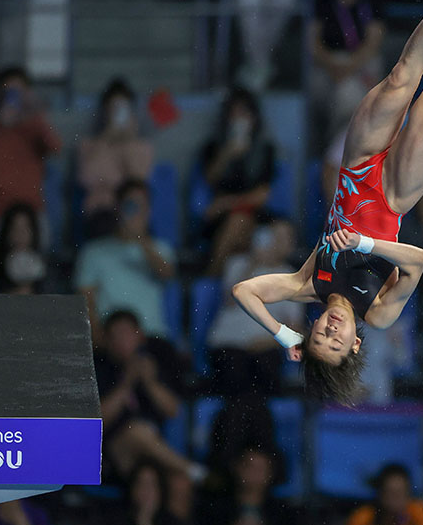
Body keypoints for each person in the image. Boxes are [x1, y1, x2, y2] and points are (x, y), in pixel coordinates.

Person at [232, 0, 423, 404]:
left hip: (357, 168)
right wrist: (363, 245)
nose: (331, 331)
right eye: (337, 342)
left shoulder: (308, 284)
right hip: (396, 195)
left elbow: (244, 290)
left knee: (402, 75)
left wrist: (284, 336)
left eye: (319, 337)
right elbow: (416, 260)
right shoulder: (377, 315)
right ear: (355, 344)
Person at [95, 310, 205, 483]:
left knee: (178, 483)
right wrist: (127, 383)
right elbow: (98, 420)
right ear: (108, 342)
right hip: (114, 450)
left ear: (140, 336)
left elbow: (173, 410)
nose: (122, 341)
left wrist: (150, 382)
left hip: (156, 449)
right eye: (115, 336)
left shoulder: (154, 361)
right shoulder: (100, 368)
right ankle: (196, 472)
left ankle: (189, 473)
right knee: (137, 431)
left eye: (126, 333)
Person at [0, 66, 61, 255]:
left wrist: (36, 114)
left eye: (18, 92)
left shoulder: (35, 128)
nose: (13, 97)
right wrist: (1, 126)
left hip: (31, 214)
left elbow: (56, 148)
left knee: (38, 241)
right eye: (8, 92)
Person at [207, 219, 302, 396]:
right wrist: (254, 263)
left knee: (264, 371)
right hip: (228, 344)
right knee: (235, 375)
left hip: (264, 348)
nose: (277, 242)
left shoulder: (292, 277)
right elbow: (230, 299)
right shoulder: (237, 264)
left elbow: (295, 329)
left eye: (284, 238)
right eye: (274, 236)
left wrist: (265, 342)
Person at [75, 180, 176, 340]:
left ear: (149, 210)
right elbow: (85, 302)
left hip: (150, 335)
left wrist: (139, 239)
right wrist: (98, 340)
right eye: (131, 205)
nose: (137, 212)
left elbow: (167, 274)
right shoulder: (93, 251)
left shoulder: (161, 249)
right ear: (118, 209)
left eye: (142, 205)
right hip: (110, 338)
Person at [311, 0, 386, 144]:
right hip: (329, 61)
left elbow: (374, 40)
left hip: (362, 60)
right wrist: (332, 65)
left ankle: (336, 150)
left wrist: (349, 67)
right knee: (322, 91)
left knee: (345, 96)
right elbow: (313, 40)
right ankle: (334, 149)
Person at [199, 86, 276, 276]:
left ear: (253, 117)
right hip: (221, 219)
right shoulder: (213, 147)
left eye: (243, 112)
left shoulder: (265, 149)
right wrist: (227, 153)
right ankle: (214, 277)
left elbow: (262, 195)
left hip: (249, 212)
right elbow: (209, 179)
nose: (238, 118)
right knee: (237, 222)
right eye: (233, 113)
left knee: (280, 231)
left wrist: (226, 203)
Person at [78, 78, 155, 239]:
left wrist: (128, 143)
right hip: (102, 209)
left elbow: (138, 181)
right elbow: (87, 179)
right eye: (113, 108)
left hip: (132, 209)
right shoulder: (90, 145)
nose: (118, 113)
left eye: (122, 108)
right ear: (105, 111)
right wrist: (107, 138)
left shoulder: (142, 147)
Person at [204, 445, 294, 525]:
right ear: (236, 467)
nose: (253, 474)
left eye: (260, 469)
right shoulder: (214, 510)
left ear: (271, 473)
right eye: (248, 466)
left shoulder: (285, 514)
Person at [345, 463, 423, 525]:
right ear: (380, 494)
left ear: (409, 495)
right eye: (391, 493)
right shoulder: (363, 519)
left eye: (400, 494)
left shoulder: (419, 513)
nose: (395, 500)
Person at [0, 202, 48, 295]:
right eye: (15, 228)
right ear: (6, 232)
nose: (20, 234)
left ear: (33, 232)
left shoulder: (45, 267)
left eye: (25, 228)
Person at [105, 458, 188, 525]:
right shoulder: (116, 520)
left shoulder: (173, 524)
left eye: (151, 485)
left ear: (161, 491)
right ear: (132, 489)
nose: (146, 491)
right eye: (141, 484)